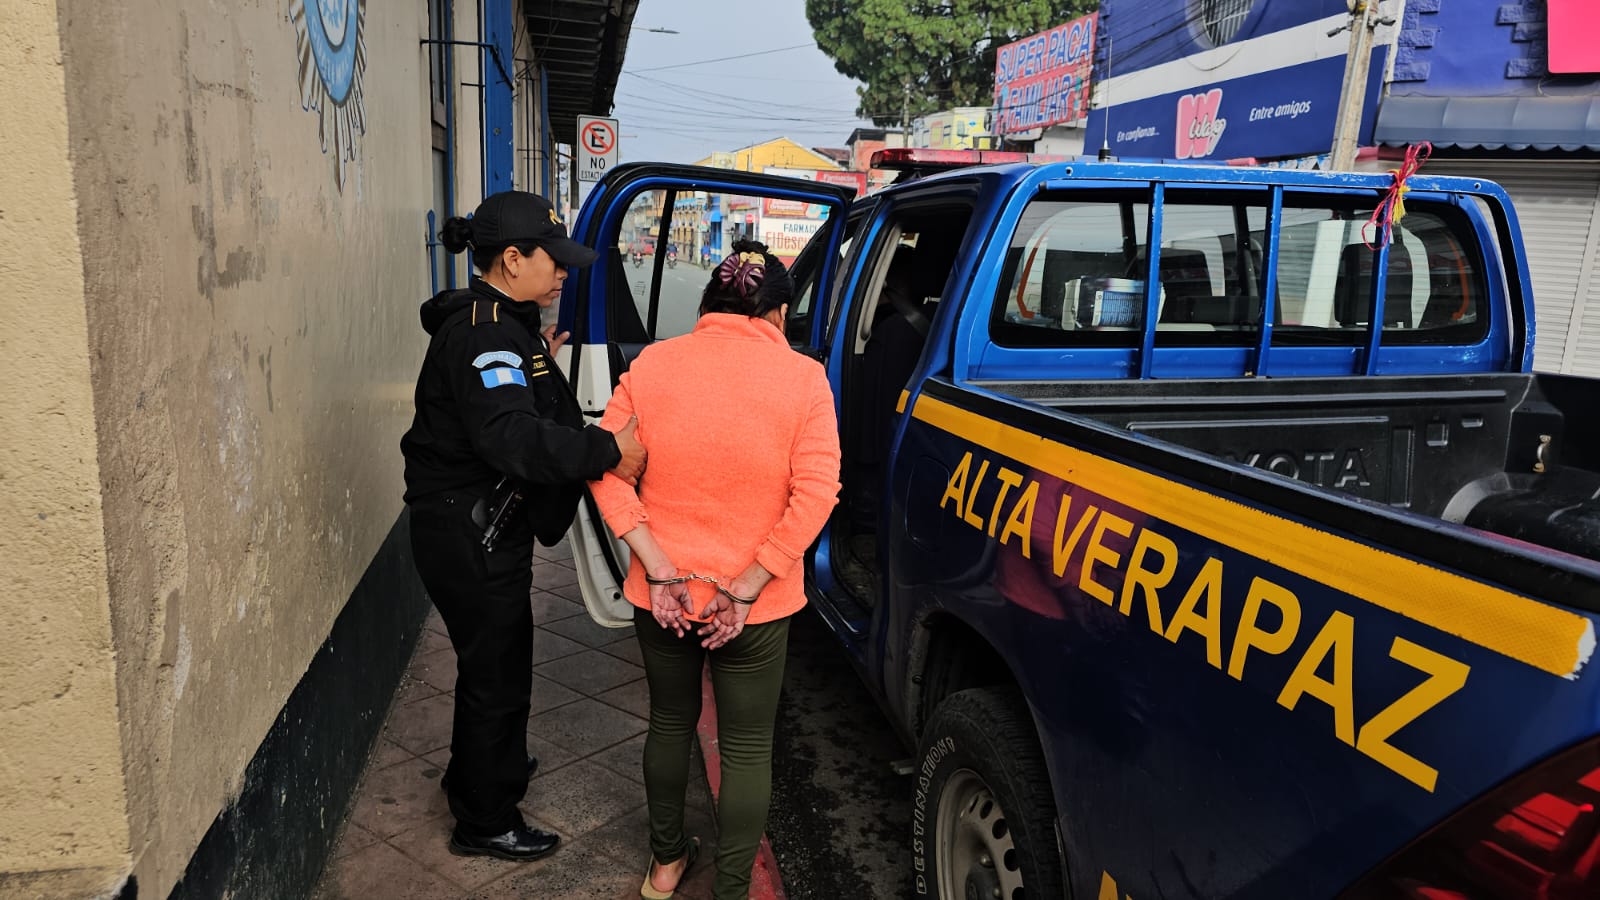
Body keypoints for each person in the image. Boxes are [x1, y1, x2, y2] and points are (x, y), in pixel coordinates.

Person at [590, 239, 841, 899]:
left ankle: (667, 863)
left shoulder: (652, 365)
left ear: (709, 305)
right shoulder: (805, 379)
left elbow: (607, 470)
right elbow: (817, 493)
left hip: (662, 596)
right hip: (755, 606)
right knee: (748, 747)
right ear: (778, 313)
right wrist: (750, 583)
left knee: (670, 722)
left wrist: (662, 568)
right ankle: (732, 889)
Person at [400, 190, 646, 861]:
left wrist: (539, 359)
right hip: (471, 532)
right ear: (511, 259)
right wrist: (606, 451)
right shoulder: (487, 332)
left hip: (469, 525)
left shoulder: (504, 324)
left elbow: (509, 401)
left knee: (495, 666)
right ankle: (485, 818)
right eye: (554, 259)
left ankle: (484, 771)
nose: (564, 272)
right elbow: (509, 436)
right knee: (499, 674)